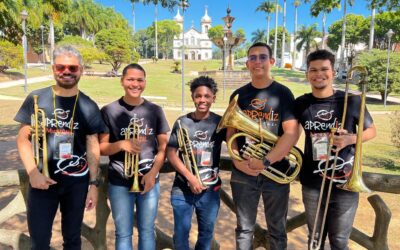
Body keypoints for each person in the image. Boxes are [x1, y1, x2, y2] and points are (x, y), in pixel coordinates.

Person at [15, 45, 105, 250]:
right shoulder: (36, 99)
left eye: (73, 68)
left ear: (81, 70)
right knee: (38, 243)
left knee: (73, 240)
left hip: (77, 184)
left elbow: (93, 146)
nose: (67, 72)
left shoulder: (88, 105)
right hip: (42, 183)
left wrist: (93, 185)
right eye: (61, 67)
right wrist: (33, 173)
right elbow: (22, 139)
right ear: (53, 68)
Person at [293, 49, 376, 249]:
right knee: (315, 239)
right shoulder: (301, 103)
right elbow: (290, 134)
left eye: (324, 69)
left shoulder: (352, 100)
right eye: (313, 69)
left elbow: (371, 130)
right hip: (312, 182)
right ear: (307, 73)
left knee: (339, 241)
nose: (318, 74)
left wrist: (351, 139)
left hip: (344, 183)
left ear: (333, 71)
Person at [227, 42, 300, 250]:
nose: (257, 61)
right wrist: (237, 162)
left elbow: (291, 132)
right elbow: (230, 134)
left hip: (274, 169)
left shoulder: (283, 93)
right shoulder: (239, 95)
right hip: (243, 172)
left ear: (271, 61)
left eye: (262, 57)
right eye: (252, 57)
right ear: (247, 63)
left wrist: (266, 161)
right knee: (244, 228)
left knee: (277, 229)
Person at [99, 63, 169, 250]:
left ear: (145, 82)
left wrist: (153, 174)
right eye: (130, 79)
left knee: (147, 230)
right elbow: (102, 148)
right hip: (120, 181)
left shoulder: (155, 110)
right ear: (122, 81)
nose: (135, 84)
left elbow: (163, 147)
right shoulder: (109, 110)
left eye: (140, 80)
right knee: (123, 233)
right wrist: (121, 144)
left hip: (148, 180)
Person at [167, 76, 226, 250]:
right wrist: (190, 178)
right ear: (193, 97)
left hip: (209, 191)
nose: (202, 100)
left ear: (213, 98)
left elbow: (234, 144)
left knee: (206, 236)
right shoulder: (182, 122)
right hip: (182, 190)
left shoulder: (220, 123)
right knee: (180, 237)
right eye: (198, 96)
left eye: (207, 96)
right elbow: (171, 153)